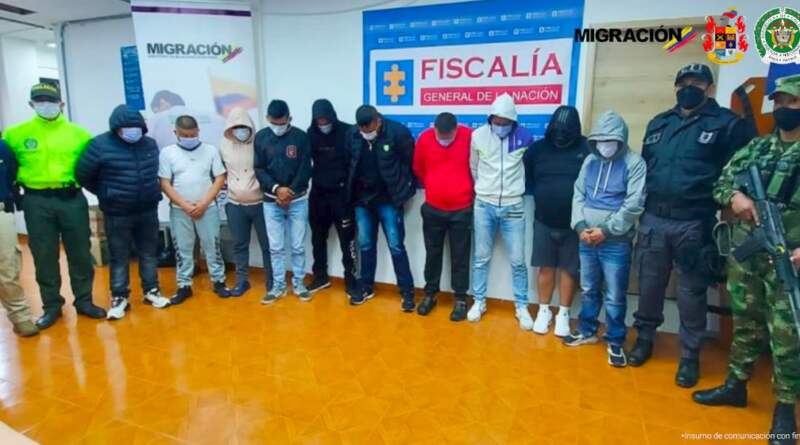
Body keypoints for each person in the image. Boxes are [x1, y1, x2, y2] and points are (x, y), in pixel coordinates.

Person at [630, 63, 754, 387]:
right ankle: (644, 338)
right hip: (654, 217)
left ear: (709, 88)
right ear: (676, 87)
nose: (689, 88)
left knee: (691, 291)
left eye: (697, 83)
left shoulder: (727, 124)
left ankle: (689, 355)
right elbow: (646, 168)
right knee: (649, 284)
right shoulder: (659, 123)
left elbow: (739, 175)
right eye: (683, 82)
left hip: (694, 221)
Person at [693, 74, 800, 445]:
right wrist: (735, 197)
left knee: (787, 333)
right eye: (779, 102)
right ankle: (736, 384)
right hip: (749, 252)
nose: (784, 108)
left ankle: (785, 408)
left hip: (790, 257)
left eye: (792, 102)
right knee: (746, 321)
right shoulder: (757, 148)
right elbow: (722, 183)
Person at [2, 83, 106, 329]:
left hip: (71, 198)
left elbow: (92, 168)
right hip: (36, 200)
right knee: (44, 254)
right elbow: (7, 169)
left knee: (80, 252)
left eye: (50, 101)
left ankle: (84, 300)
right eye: (39, 101)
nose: (45, 105)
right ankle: (51, 305)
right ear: (31, 104)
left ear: (61, 104)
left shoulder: (79, 134)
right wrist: (14, 197)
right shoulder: (14, 135)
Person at [562, 111, 646, 368]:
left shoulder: (635, 163)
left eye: (610, 140)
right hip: (586, 237)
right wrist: (580, 226)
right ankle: (587, 330)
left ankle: (615, 340)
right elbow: (578, 194)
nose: (604, 145)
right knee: (588, 288)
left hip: (615, 242)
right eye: (600, 140)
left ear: (621, 139)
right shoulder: (590, 161)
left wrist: (607, 231)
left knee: (615, 294)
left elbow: (634, 204)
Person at [75, 105, 171, 319]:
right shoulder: (99, 145)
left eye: (136, 127)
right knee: (119, 255)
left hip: (147, 208)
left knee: (149, 253)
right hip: (117, 211)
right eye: (127, 128)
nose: (132, 131)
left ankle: (151, 290)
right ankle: (119, 296)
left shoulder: (149, 144)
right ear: (116, 128)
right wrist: (106, 193)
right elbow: (83, 174)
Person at [467, 93, 533, 330]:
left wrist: (512, 191)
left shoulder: (525, 137)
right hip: (484, 205)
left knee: (518, 260)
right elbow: (474, 167)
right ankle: (479, 301)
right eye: (497, 122)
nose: (501, 126)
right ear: (490, 119)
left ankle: (522, 306)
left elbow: (528, 167)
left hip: (514, 206)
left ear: (513, 122)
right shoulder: (478, 136)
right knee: (481, 257)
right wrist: (486, 190)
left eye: (506, 123)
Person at [524, 105, 589, 336]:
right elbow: (529, 178)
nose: (560, 135)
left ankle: (563, 313)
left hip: (575, 224)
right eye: (556, 130)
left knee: (570, 269)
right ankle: (544, 311)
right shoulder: (537, 149)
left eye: (565, 131)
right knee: (545, 266)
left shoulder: (587, 148)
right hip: (544, 219)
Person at [346, 105, 416, 311]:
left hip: (389, 200)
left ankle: (407, 292)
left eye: (369, 129)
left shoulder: (398, 132)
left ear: (378, 121)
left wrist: (402, 190)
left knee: (396, 245)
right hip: (362, 201)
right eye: (362, 130)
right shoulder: (352, 134)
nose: (366, 133)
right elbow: (350, 162)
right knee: (365, 245)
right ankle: (366, 287)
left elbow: (409, 163)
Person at [158, 115, 230, 304]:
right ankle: (184, 285)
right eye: (184, 135)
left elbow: (220, 178)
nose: (189, 138)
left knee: (212, 246)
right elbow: (165, 183)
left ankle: (219, 281)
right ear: (176, 133)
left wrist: (204, 203)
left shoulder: (210, 150)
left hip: (208, 208)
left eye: (192, 134)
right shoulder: (167, 153)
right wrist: (185, 205)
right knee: (183, 249)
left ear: (198, 131)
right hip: (180, 210)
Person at [413, 112, 473, 321]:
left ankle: (460, 298)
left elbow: (478, 166)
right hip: (433, 208)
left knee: (460, 256)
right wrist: (435, 185)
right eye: (441, 135)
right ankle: (430, 294)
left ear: (457, 129)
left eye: (449, 135)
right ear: (435, 129)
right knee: (433, 254)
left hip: (462, 209)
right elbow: (419, 168)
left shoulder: (469, 136)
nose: (445, 139)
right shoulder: (425, 138)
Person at [254, 100, 312, 304]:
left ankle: (299, 284)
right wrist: (277, 189)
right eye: (274, 123)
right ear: (268, 119)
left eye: (282, 123)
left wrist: (289, 192)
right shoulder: (261, 137)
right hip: (271, 201)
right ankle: (278, 286)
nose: (278, 127)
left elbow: (306, 168)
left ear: (289, 118)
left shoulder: (301, 137)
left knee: (298, 246)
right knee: (276, 247)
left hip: (298, 200)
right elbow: (258, 168)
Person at [306, 99, 358, 298]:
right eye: (319, 120)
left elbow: (355, 163)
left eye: (325, 119)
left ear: (332, 116)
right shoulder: (310, 134)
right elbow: (305, 163)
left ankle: (351, 279)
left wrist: (350, 190)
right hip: (318, 195)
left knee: (347, 240)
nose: (323, 123)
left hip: (342, 196)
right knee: (317, 238)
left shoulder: (348, 131)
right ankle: (320, 276)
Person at [219, 107, 272, 297]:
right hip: (235, 204)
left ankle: (272, 280)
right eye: (236, 127)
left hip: (261, 203)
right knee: (239, 245)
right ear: (230, 128)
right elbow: (220, 173)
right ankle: (242, 281)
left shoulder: (261, 143)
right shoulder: (223, 145)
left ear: (251, 127)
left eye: (244, 127)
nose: (241, 130)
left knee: (268, 245)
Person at [0, 140, 38, 336]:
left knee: (8, 266)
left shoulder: (2, 147)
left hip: (0, 211)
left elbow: (11, 174)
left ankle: (21, 318)